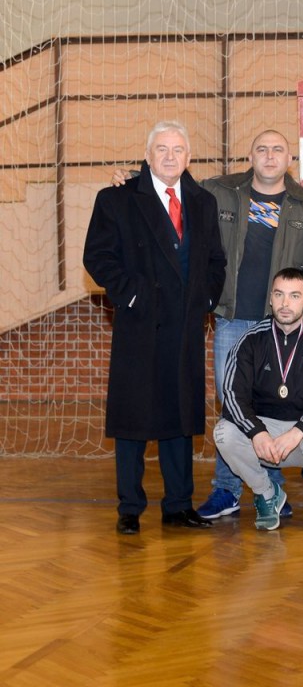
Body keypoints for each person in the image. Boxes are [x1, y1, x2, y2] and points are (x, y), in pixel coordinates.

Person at [83, 121, 226, 535]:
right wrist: (132, 296)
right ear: (147, 156)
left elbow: (216, 260)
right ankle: (129, 507)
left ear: (188, 157)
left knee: (179, 419)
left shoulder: (203, 202)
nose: (169, 156)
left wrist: (206, 300)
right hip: (139, 325)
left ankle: (178, 505)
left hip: (184, 327)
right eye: (161, 149)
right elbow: (97, 257)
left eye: (177, 149)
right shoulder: (116, 199)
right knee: (132, 420)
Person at [195, 130, 303, 520]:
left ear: (289, 160)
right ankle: (227, 490)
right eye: (261, 149)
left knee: (272, 404)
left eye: (277, 149)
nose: (269, 156)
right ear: (250, 156)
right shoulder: (220, 192)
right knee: (233, 403)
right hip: (233, 319)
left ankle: (271, 488)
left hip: (279, 326)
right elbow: (174, 190)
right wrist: (135, 177)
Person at [213, 269, 303, 531]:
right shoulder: (251, 339)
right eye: (279, 295)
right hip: (265, 435)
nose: (285, 303)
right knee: (223, 433)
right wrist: (257, 432)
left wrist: (299, 430)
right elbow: (232, 395)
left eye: (295, 296)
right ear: (271, 299)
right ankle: (266, 493)